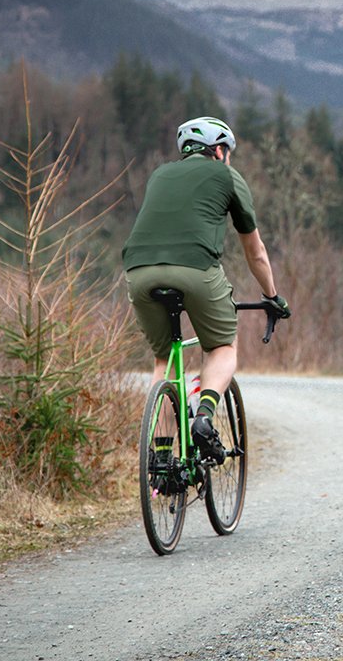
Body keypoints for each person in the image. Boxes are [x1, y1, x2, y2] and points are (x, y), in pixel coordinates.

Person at [123, 116, 290, 463]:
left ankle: (163, 457)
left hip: (138, 271)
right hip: (195, 270)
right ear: (218, 150)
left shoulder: (159, 175)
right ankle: (203, 418)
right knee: (223, 347)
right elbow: (254, 251)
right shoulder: (226, 176)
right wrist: (272, 296)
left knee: (165, 359)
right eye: (227, 151)